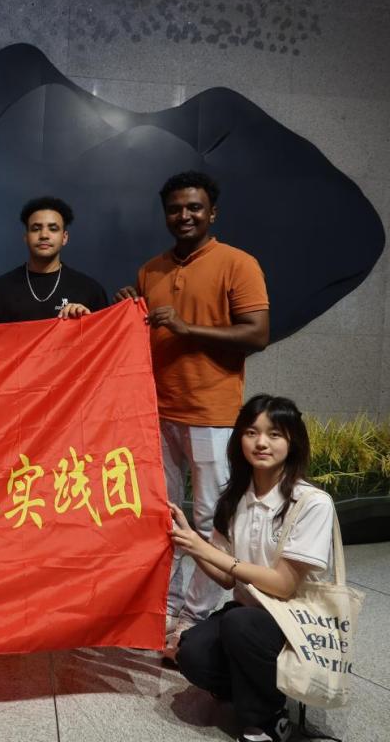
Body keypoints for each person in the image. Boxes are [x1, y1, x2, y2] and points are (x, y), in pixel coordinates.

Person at [115, 171, 269, 655]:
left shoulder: (238, 264)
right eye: (175, 209)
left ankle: (195, 615)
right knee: (161, 516)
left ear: (212, 213)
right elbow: (144, 334)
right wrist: (127, 313)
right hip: (156, 414)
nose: (184, 216)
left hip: (211, 413)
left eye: (194, 208)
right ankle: (165, 604)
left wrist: (188, 328)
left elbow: (257, 334)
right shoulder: (152, 270)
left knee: (207, 520)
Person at [170, 395, 333, 742]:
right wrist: (190, 544)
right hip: (246, 617)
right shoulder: (234, 500)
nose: (261, 443)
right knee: (191, 653)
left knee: (239, 623)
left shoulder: (312, 503)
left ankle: (269, 720)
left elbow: (283, 586)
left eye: (275, 434)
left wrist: (204, 548)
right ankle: (253, 686)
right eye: (251, 432)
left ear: (293, 441)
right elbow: (226, 579)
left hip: (294, 623)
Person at [0, 196, 108, 323]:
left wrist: (85, 320)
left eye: (53, 229)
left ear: (64, 237)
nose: (44, 235)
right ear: (26, 237)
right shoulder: (0, 290)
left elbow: (105, 333)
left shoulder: (90, 290)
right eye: (36, 229)